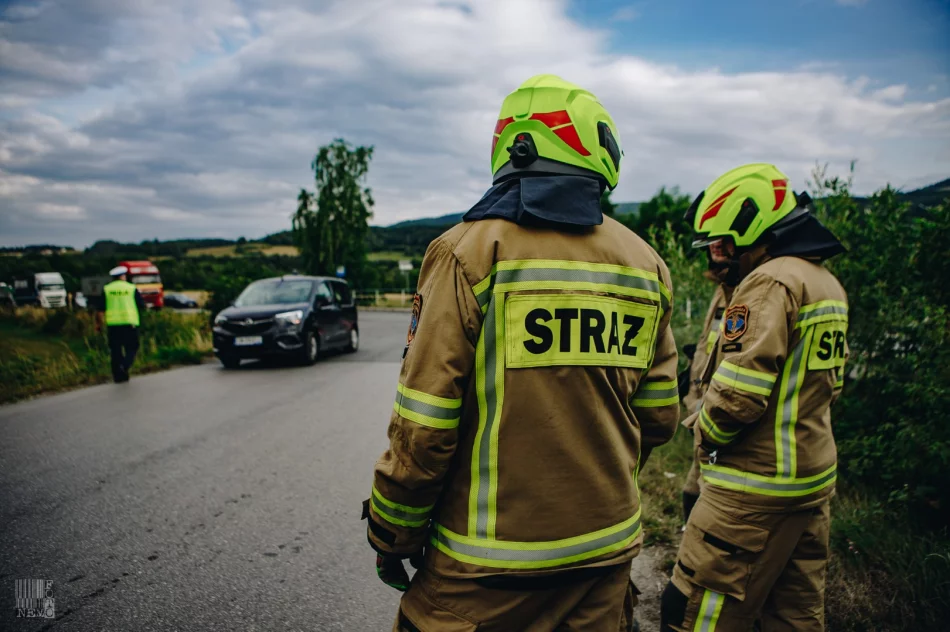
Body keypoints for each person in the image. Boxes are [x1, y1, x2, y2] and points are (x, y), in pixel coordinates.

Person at [363, 74, 681, 631]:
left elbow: (424, 426)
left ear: (511, 148)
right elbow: (659, 416)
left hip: (485, 571)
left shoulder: (468, 252)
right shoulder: (646, 264)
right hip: (603, 559)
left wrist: (393, 531)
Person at [660, 163, 848, 631]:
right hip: (810, 479)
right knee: (794, 615)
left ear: (755, 230)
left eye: (723, 244)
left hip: (752, 490)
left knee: (691, 613)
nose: (715, 256)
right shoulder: (824, 282)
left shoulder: (767, 283)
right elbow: (828, 386)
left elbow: (738, 397)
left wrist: (706, 441)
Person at [677, 243, 736, 525]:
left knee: (704, 491)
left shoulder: (756, 290)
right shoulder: (722, 290)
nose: (716, 246)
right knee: (693, 485)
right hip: (702, 409)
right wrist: (692, 394)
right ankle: (688, 534)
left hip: (722, 419)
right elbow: (705, 345)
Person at [103, 265, 146, 383]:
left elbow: (100, 307)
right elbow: (141, 305)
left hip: (113, 324)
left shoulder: (107, 289)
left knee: (115, 350)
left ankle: (118, 376)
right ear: (123, 276)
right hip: (129, 322)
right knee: (132, 347)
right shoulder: (131, 288)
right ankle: (124, 366)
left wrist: (98, 323)